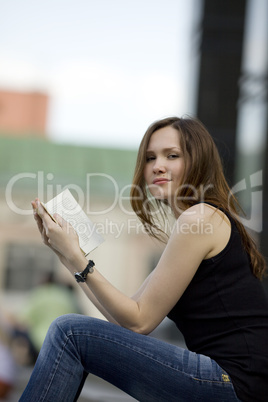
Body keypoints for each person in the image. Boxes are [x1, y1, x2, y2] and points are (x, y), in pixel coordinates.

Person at [20, 116, 268, 402]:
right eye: (150, 157)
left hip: (234, 382)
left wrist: (77, 258)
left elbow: (141, 322)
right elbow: (127, 319)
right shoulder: (197, 223)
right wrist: (68, 256)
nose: (157, 166)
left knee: (68, 332)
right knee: (73, 333)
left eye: (172, 155)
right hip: (237, 382)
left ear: (198, 162)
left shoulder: (200, 218)